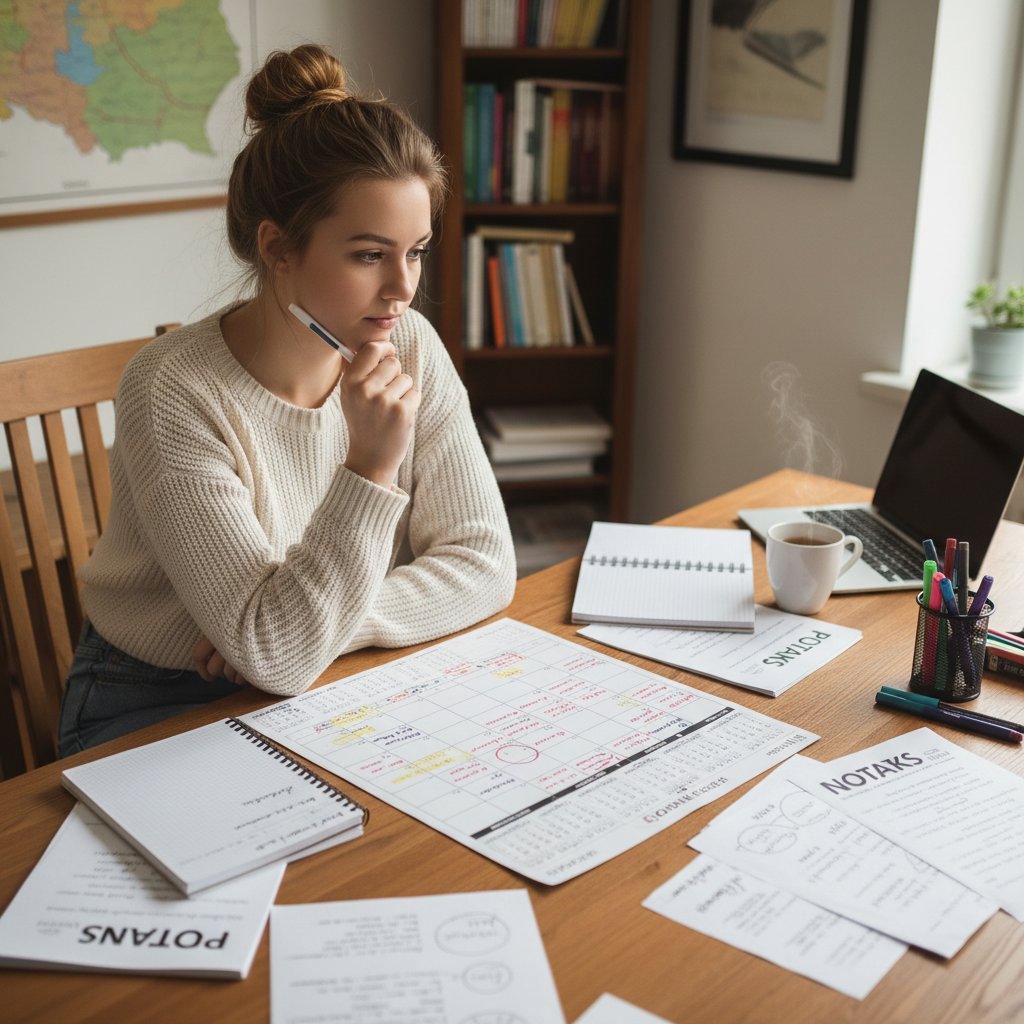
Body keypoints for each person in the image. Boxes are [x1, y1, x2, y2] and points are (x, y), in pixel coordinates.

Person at [58, 44, 516, 756]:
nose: (404, 287)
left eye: (416, 250)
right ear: (278, 247)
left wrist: (336, 625)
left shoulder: (412, 346)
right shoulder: (172, 390)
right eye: (369, 255)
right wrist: (369, 467)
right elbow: (275, 652)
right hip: (157, 695)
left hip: (331, 661)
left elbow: (486, 563)